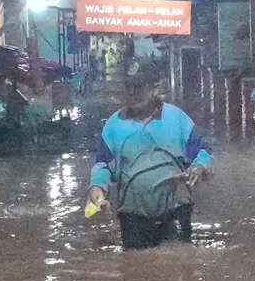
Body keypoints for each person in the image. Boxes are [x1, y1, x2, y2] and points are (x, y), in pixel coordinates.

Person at [86, 73, 212, 249]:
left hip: (175, 210)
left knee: (178, 261)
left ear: (155, 88)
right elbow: (103, 164)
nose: (132, 92)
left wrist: (199, 166)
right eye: (127, 87)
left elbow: (203, 151)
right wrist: (97, 187)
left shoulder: (177, 117)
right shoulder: (114, 124)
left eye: (138, 87)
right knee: (135, 267)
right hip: (132, 216)